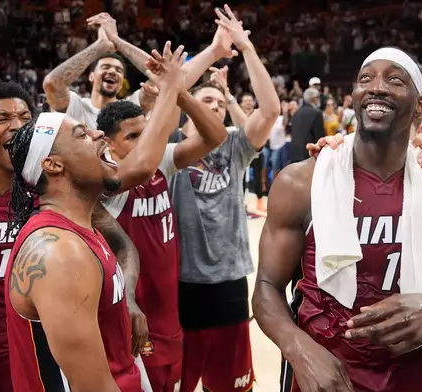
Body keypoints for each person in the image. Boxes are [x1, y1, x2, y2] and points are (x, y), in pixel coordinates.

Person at [253, 47, 422, 392]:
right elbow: (267, 287)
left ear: (419, 105)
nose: (377, 87)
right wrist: (297, 348)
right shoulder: (302, 181)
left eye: (395, 79)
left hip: (409, 378)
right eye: (366, 78)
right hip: (324, 378)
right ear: (355, 96)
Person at [5, 42, 186, 391]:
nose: (98, 133)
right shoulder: (59, 253)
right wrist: (172, 89)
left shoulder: (80, 228)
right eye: (82, 134)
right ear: (53, 165)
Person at [168, 5, 280, 391]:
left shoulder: (235, 145)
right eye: (206, 103)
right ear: (187, 114)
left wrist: (247, 49)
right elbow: (170, 89)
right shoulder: (170, 150)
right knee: (179, 381)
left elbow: (270, 110)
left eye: (220, 103)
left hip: (230, 279)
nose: (214, 108)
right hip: (181, 280)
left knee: (230, 385)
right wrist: (212, 54)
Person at [98, 85, 227, 389]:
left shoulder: (160, 162)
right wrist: (168, 89)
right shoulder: (105, 180)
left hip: (169, 317)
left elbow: (216, 136)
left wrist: (180, 93)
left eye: (147, 134)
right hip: (133, 319)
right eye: (133, 137)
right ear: (108, 144)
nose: (146, 143)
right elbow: (140, 167)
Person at [43, 12, 158, 129]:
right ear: (91, 76)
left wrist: (116, 39)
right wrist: (100, 45)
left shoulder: (131, 105)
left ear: (121, 83)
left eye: (118, 70)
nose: (112, 71)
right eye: (106, 67)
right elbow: (51, 83)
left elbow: (159, 73)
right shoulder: (76, 105)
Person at [289, 87, 324, 163]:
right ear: (314, 98)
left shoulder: (297, 112)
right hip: (309, 154)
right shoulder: (317, 113)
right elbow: (319, 136)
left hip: (294, 153)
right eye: (318, 97)